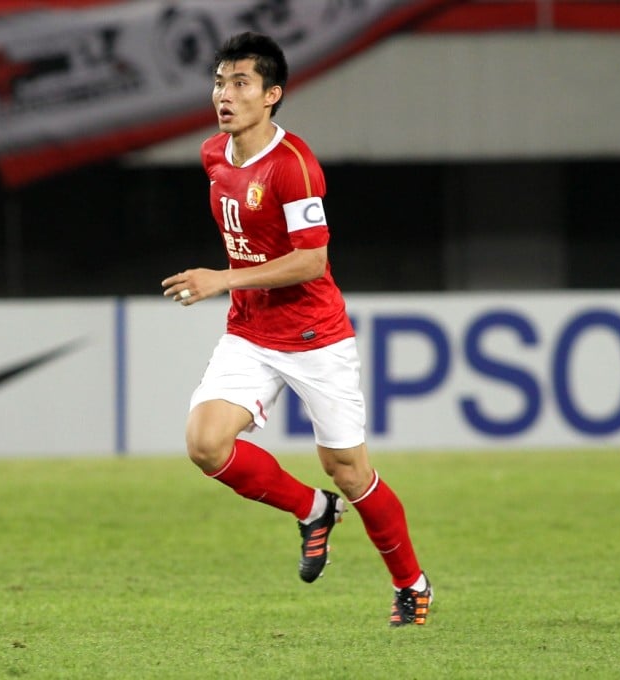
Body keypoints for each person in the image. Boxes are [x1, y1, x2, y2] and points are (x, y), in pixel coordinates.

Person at [161, 31, 431, 627]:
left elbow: (312, 261)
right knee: (205, 444)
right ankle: (313, 510)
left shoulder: (295, 167)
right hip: (250, 332)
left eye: (240, 83)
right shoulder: (214, 154)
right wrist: (235, 288)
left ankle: (411, 584)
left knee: (350, 470)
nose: (224, 95)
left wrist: (222, 279)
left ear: (272, 94)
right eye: (219, 82)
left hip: (315, 337)